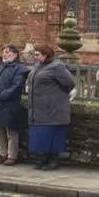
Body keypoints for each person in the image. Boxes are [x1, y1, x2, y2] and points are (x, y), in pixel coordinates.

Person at [26, 43, 76, 171]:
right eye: (34, 55)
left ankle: (53, 160)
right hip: (38, 109)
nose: (35, 57)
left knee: (53, 135)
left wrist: (56, 95)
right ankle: (44, 159)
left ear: (46, 55)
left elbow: (69, 83)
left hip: (53, 108)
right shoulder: (38, 66)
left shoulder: (57, 67)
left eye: (37, 55)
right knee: (41, 136)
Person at [0, 44, 29, 165]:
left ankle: (12, 155)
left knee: (11, 131)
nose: (4, 54)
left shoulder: (20, 68)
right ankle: (2, 153)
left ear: (15, 54)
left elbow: (16, 87)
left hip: (10, 103)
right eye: (4, 52)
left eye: (8, 52)